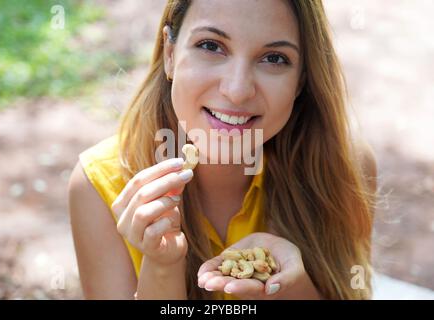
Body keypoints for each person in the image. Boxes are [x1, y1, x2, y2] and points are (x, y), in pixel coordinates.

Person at [68, 0, 377, 300]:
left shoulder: (344, 166)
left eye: (274, 58)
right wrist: (162, 267)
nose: (237, 90)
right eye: (211, 46)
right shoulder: (99, 185)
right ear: (170, 53)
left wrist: (290, 290)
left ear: (301, 81)